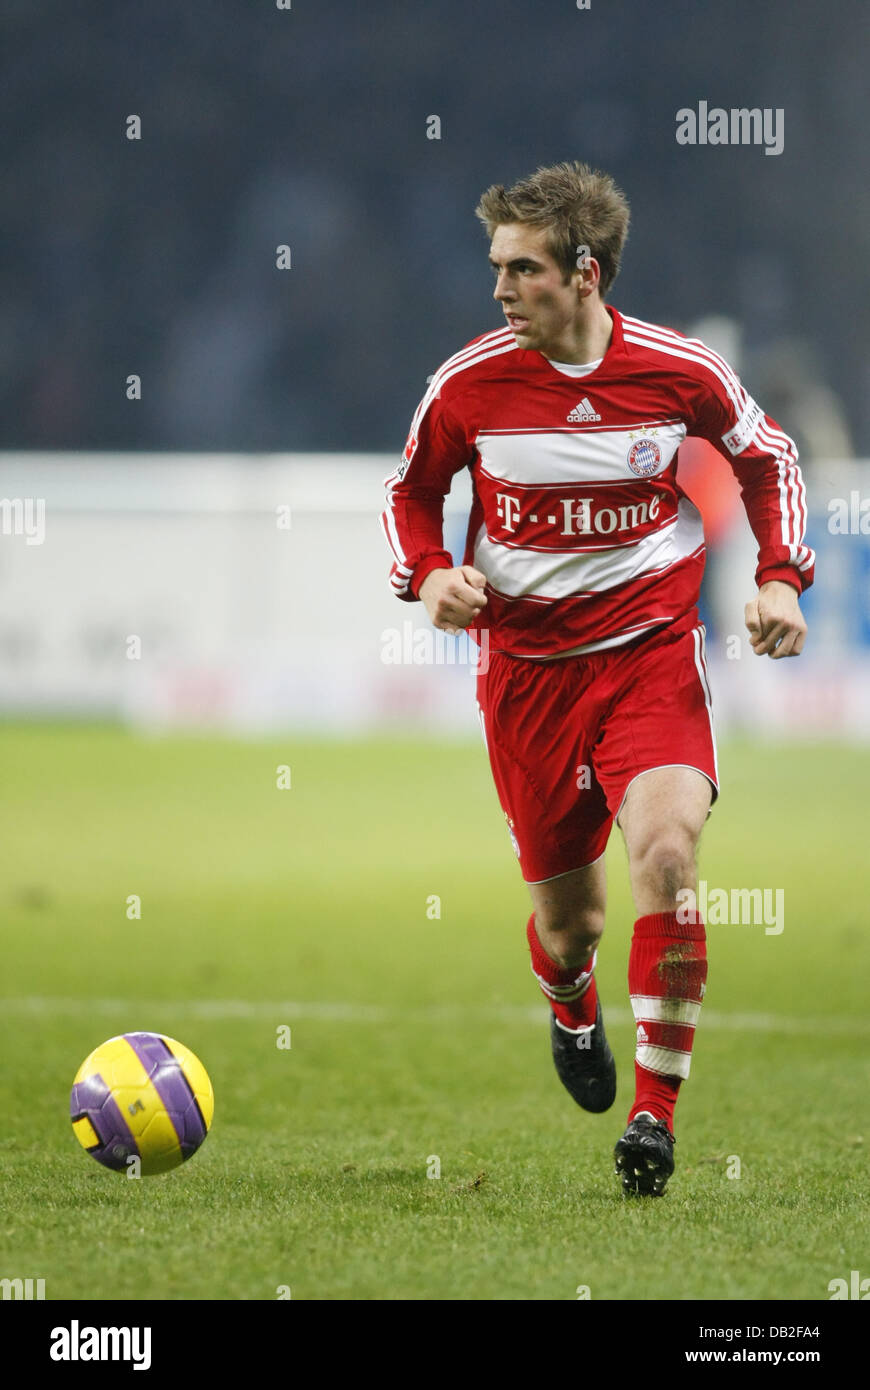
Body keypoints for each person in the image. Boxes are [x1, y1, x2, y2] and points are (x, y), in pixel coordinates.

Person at [379, 161, 814, 1196]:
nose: (498, 287)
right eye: (495, 266)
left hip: (651, 662)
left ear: (586, 274)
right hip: (528, 681)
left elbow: (770, 458)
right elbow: (412, 490)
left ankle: (654, 1122)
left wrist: (782, 579)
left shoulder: (680, 370)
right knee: (571, 924)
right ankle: (570, 999)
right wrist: (431, 573)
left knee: (666, 854)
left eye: (520, 268)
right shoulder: (469, 384)